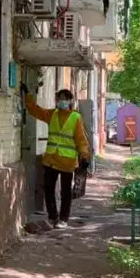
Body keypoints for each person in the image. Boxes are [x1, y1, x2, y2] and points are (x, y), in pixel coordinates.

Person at [22, 85, 91, 229]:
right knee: (48, 190)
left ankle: (63, 219)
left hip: (67, 162)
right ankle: (52, 217)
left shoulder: (75, 118)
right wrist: (27, 95)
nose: (61, 102)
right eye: (59, 99)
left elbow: (81, 139)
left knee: (66, 192)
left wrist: (85, 156)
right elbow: (36, 111)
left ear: (70, 101)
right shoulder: (52, 114)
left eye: (64, 99)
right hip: (51, 160)